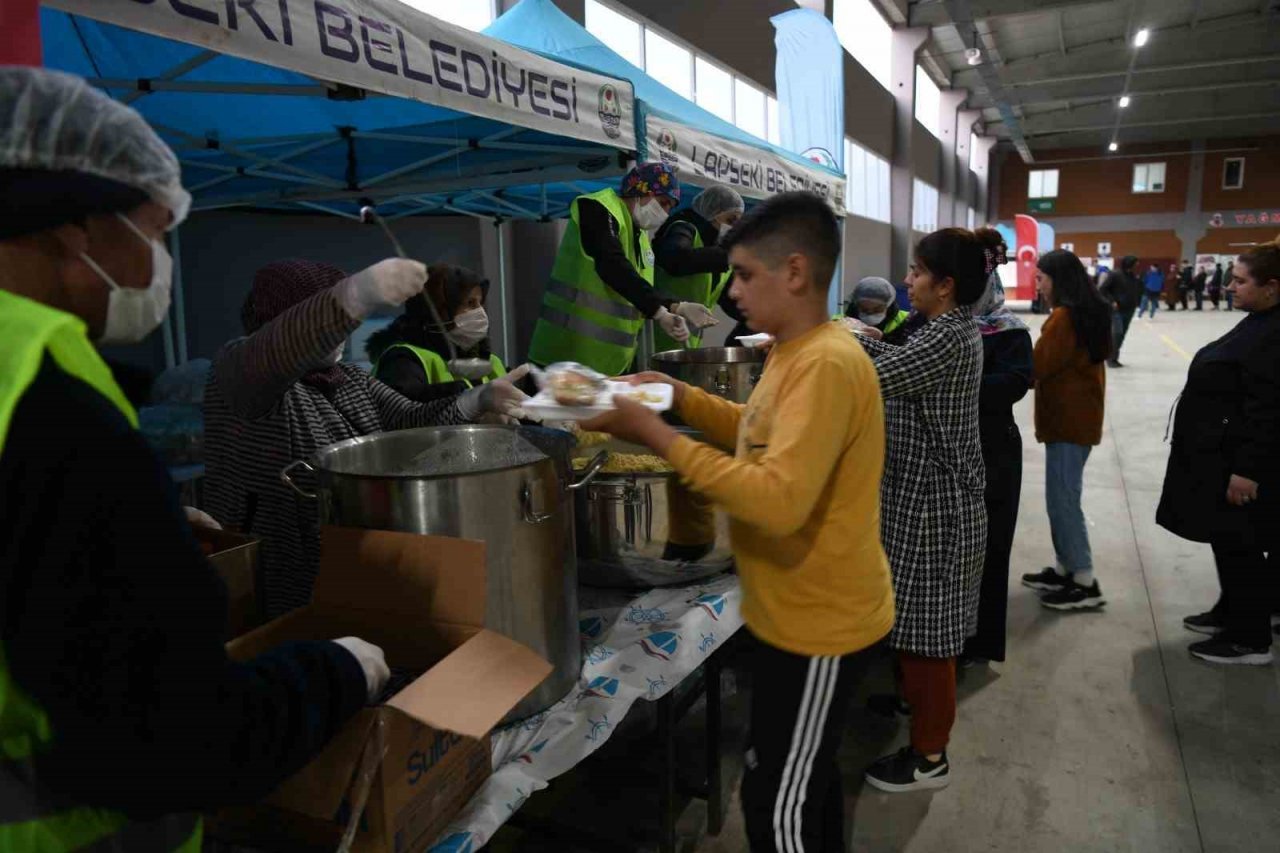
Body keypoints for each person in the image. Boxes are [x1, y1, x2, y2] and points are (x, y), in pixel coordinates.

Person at [0, 67, 387, 851]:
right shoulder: (62, 399)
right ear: (76, 226)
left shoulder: (27, 400)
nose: (159, 261)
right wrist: (337, 674)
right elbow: (181, 735)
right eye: (153, 229)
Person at [581, 192, 893, 848]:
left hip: (823, 626)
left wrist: (654, 434)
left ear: (797, 273)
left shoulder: (829, 363)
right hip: (788, 614)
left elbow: (776, 500)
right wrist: (680, 397)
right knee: (804, 780)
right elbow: (756, 430)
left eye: (746, 274)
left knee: (778, 799)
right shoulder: (791, 350)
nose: (734, 290)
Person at [204, 259, 530, 617]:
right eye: (338, 322)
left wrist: (475, 400)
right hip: (272, 575)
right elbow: (280, 347)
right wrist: (354, 295)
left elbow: (409, 423)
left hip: (352, 559)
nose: (343, 333)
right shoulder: (242, 374)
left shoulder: (349, 379)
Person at [849, 228, 988, 793]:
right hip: (917, 498)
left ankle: (930, 757)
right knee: (910, 623)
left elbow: (876, 377)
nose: (907, 280)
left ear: (946, 285)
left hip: (937, 506)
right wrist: (859, 333)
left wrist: (832, 342)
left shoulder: (951, 337)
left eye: (916, 272)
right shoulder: (941, 331)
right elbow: (895, 355)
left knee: (928, 638)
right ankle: (917, 707)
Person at [1157, 241, 1280, 665]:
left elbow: (1267, 411)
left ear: (1272, 288)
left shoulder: (1273, 335)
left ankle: (1250, 639)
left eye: (1241, 281)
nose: (1230, 286)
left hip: (1240, 465)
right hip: (1219, 456)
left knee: (1241, 545)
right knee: (1228, 541)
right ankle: (1233, 612)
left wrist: (1246, 470)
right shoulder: (1259, 321)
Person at [526, 163, 691, 375]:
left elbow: (636, 284)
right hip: (564, 357)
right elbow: (611, 264)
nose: (666, 213)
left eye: (670, 207)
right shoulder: (598, 208)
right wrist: (659, 312)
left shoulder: (639, 236)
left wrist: (675, 307)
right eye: (664, 203)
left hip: (608, 365)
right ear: (642, 191)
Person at [1021, 249, 1111, 610]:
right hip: (1078, 420)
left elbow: (1037, 366)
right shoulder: (1088, 312)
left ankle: (1085, 581)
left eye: (1041, 279)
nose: (1037, 286)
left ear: (1059, 280)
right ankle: (1066, 569)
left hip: (1069, 424)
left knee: (1063, 502)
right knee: (1060, 499)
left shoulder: (1063, 318)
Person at [963, 237, 1034, 665]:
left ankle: (979, 642)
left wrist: (956, 386)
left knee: (989, 550)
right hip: (953, 448)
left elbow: (1015, 382)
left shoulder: (1007, 330)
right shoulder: (938, 326)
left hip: (993, 451)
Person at [366, 264, 506, 401]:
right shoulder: (402, 359)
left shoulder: (490, 361)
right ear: (437, 310)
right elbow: (403, 412)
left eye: (480, 304)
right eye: (470, 303)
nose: (480, 312)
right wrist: (466, 397)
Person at [652, 185, 745, 351]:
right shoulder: (683, 228)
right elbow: (676, 260)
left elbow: (730, 298)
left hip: (687, 341)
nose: (734, 228)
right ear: (711, 213)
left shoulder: (719, 249)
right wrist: (727, 256)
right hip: (658, 334)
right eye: (730, 220)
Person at [1100, 255, 1143, 367]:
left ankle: (1114, 358)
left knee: (1122, 334)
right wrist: (1112, 301)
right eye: (1135, 264)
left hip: (1130, 309)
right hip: (1117, 310)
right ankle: (1110, 358)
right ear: (1129, 264)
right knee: (1117, 333)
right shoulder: (1115, 275)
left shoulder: (1133, 276)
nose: (1137, 266)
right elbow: (1103, 289)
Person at [843, 275, 912, 345]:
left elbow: (908, 351)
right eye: (864, 310)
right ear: (856, 305)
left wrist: (883, 338)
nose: (870, 314)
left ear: (888, 304)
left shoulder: (907, 319)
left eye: (877, 310)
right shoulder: (840, 322)